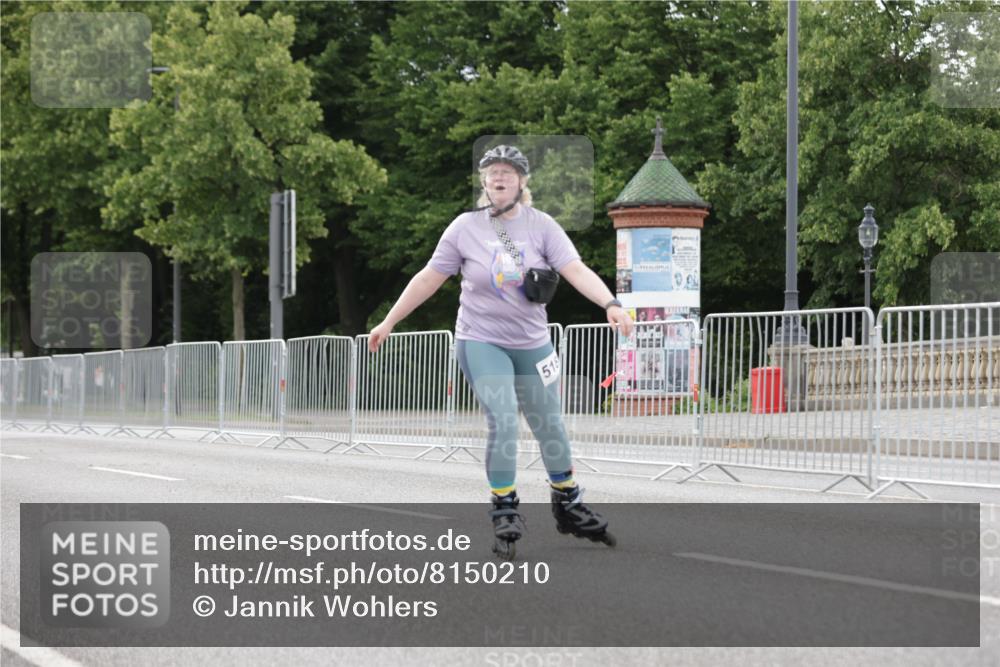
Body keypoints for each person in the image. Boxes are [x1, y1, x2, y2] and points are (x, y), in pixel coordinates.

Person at [368, 145, 633, 559]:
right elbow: (428, 278)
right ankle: (505, 507)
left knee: (550, 425)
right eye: (492, 172)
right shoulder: (463, 228)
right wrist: (390, 321)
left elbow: (575, 268)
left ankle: (568, 503)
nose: (499, 177)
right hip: (481, 340)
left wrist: (610, 304)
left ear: (523, 182)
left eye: (508, 172)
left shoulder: (542, 226)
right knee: (504, 420)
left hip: (532, 342)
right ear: (483, 182)